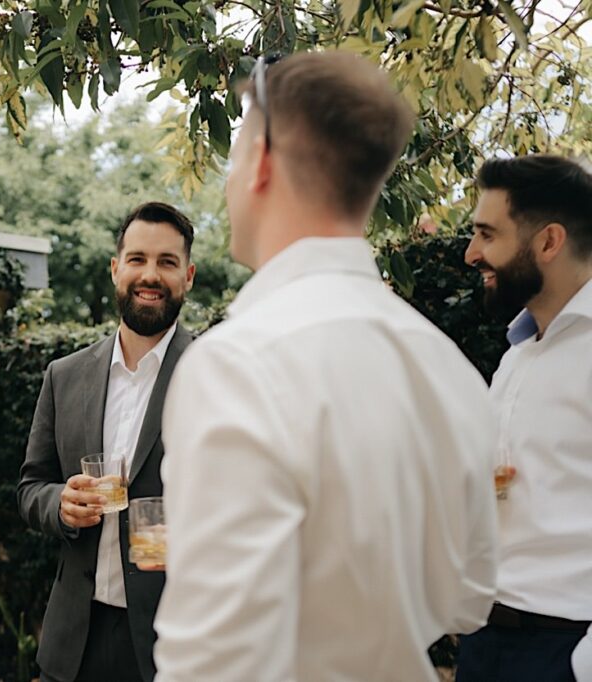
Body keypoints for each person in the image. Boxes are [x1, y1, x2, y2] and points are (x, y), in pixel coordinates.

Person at [153, 51, 499, 681]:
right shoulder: (450, 371)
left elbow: (211, 661)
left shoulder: (237, 364)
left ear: (259, 163)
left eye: (233, 154)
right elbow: (470, 598)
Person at [18, 202, 197, 682]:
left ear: (189, 276)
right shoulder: (64, 376)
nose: (150, 275)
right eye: (137, 259)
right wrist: (61, 503)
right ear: (116, 268)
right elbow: (30, 487)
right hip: (75, 639)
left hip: (172, 640)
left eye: (167, 262)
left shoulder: (216, 375)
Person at [456, 155, 592, 682]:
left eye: (487, 234)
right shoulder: (516, 355)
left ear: (549, 242)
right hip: (485, 642)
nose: (471, 254)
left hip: (561, 651)